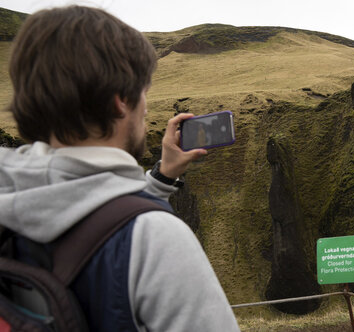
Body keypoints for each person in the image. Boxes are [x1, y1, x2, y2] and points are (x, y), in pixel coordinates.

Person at [0, 5, 240, 331]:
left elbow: (80, 204)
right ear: (120, 101)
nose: (145, 108)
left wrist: (162, 178)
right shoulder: (156, 238)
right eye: (143, 92)